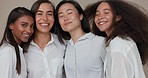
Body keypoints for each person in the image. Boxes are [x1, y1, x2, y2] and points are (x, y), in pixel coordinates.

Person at [84, 0, 148, 78]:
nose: (100, 17)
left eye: (106, 12)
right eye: (97, 14)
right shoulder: (123, 41)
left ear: (118, 17)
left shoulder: (118, 45)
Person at [55, 0, 106, 78]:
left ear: (80, 16)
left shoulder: (100, 42)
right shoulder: (64, 47)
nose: (65, 18)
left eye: (69, 13)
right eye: (61, 16)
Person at [23, 0, 66, 78]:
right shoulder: (23, 48)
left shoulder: (63, 44)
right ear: (32, 17)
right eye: (39, 14)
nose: (45, 18)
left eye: (49, 14)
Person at [0, 7, 34, 78]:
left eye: (31, 26)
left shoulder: (18, 50)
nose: (29, 30)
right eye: (24, 25)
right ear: (11, 25)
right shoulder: (8, 51)